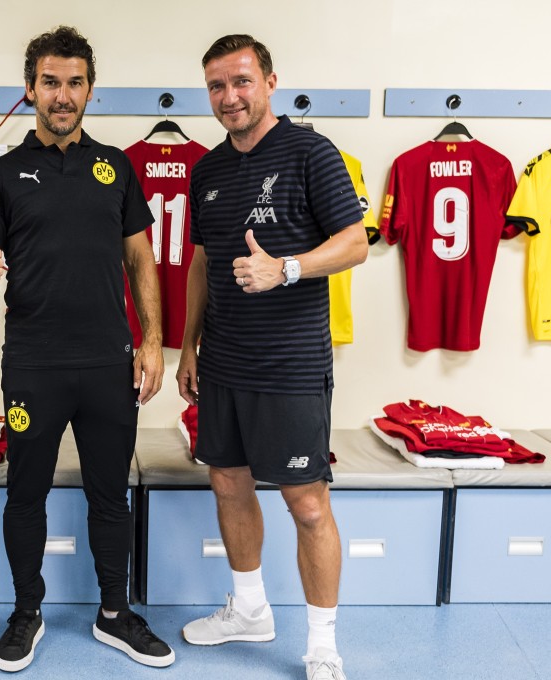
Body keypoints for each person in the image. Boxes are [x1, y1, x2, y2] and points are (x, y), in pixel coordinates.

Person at [0, 25, 174, 674]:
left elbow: (140, 258)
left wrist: (153, 340)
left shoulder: (116, 166)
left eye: (74, 82)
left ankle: (114, 613)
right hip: (33, 365)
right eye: (50, 82)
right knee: (26, 496)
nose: (62, 94)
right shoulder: (1, 174)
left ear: (90, 89)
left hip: (110, 363)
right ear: (30, 90)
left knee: (111, 496)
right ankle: (26, 612)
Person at [176, 34, 368, 680]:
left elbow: (355, 242)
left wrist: (286, 268)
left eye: (241, 81)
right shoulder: (206, 170)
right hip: (223, 363)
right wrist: (188, 345)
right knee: (228, 484)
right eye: (217, 86)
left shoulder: (312, 153)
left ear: (269, 82)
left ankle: (322, 645)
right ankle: (250, 610)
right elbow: (202, 263)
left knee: (307, 505)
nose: (229, 97)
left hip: (290, 366)